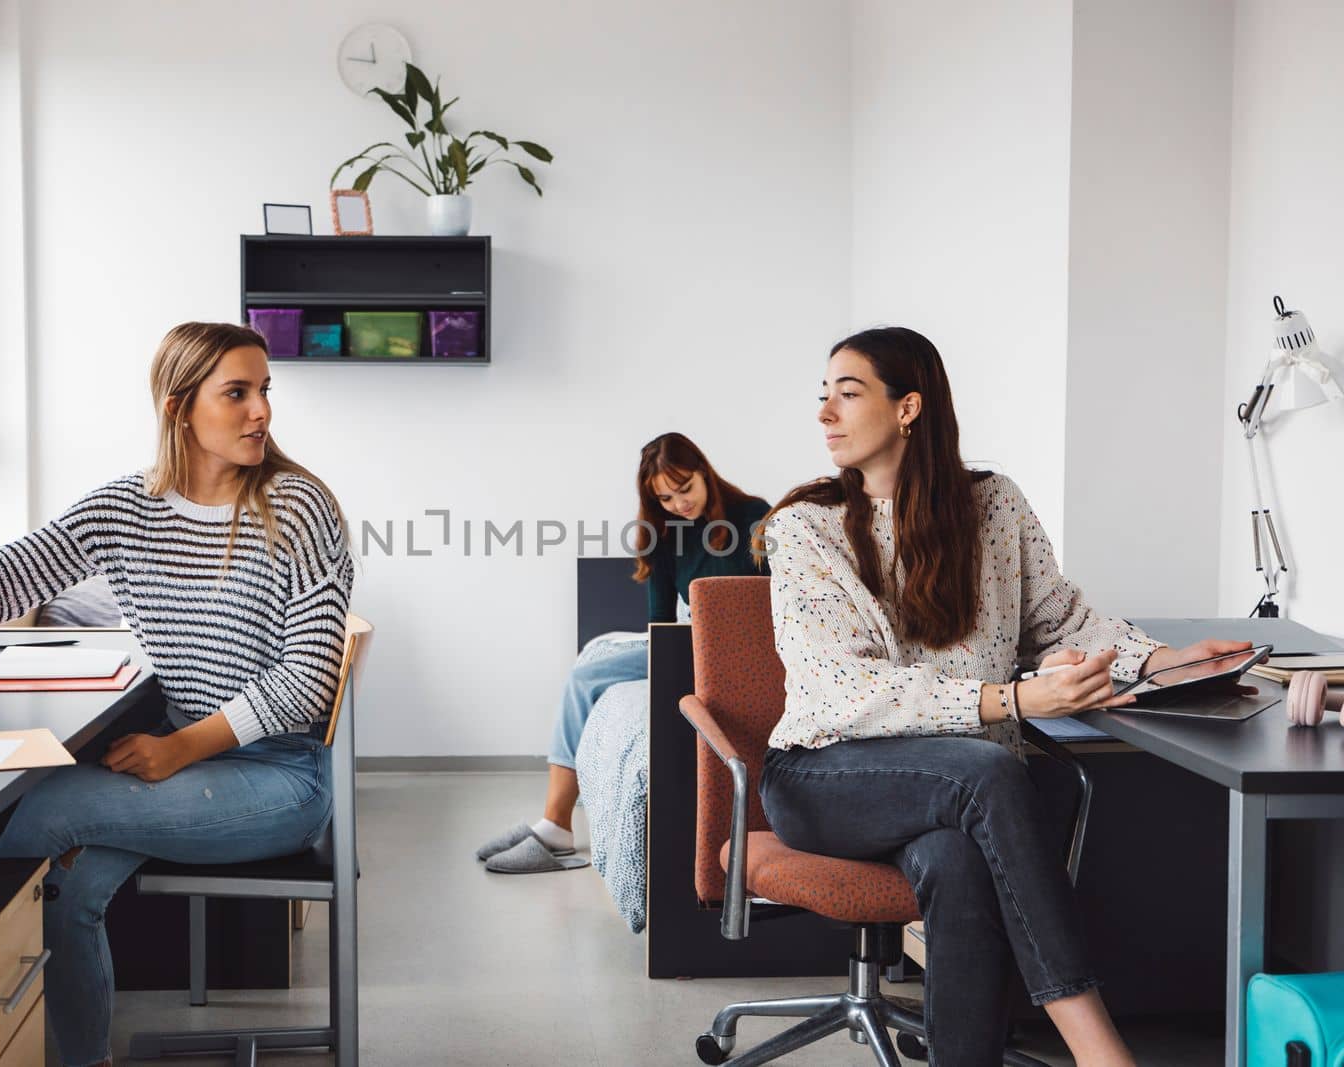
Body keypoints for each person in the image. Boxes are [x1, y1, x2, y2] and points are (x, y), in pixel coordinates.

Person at [0, 322, 353, 1067]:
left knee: (45, 809)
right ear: (180, 407)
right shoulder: (126, 509)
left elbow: (307, 677)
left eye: (263, 392)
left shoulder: (298, 507)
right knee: (65, 891)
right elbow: (6, 574)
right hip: (186, 765)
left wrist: (180, 746)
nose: (261, 412)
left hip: (277, 777)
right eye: (238, 393)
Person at [757, 326, 1249, 1064]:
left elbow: (1060, 617)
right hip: (827, 775)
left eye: (847, 393)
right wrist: (1013, 702)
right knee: (988, 769)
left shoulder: (993, 506)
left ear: (908, 407)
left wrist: (1168, 660)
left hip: (959, 787)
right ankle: (1098, 1046)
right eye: (821, 396)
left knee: (956, 858)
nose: (825, 412)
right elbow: (840, 688)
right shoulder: (803, 528)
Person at [476, 431, 770, 873]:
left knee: (586, 679)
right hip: (688, 642)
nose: (678, 503)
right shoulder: (663, 532)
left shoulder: (754, 516)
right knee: (588, 672)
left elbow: (775, 598)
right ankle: (553, 823)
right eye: (666, 498)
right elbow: (659, 621)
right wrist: (665, 655)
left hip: (738, 646)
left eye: (685, 488)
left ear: (704, 473)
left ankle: (555, 828)